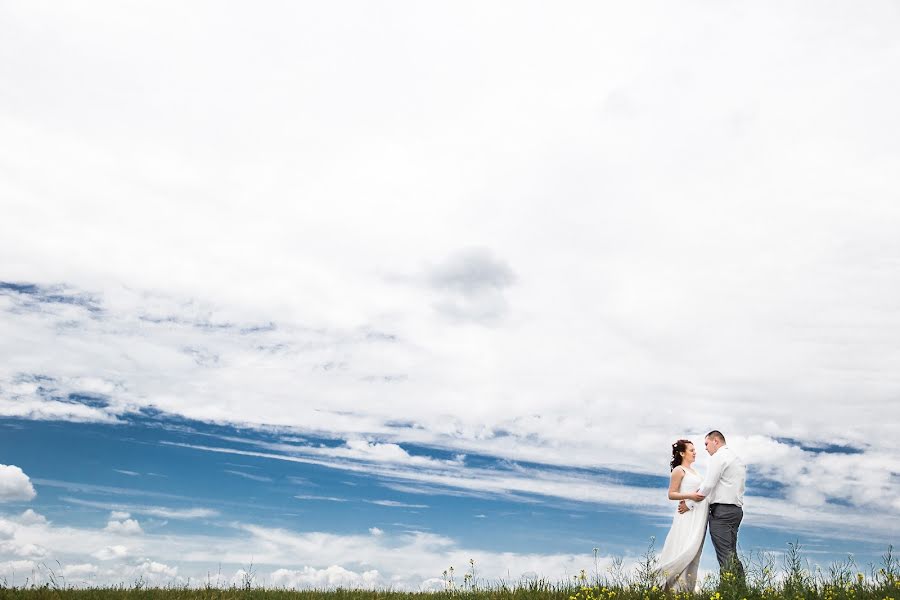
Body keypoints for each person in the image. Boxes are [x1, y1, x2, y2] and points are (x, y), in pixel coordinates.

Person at [678, 430, 746, 581]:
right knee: (730, 552)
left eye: (706, 444)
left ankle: (729, 590)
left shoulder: (719, 457)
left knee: (725, 554)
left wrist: (688, 504)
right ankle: (741, 590)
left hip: (721, 512)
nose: (706, 448)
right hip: (735, 511)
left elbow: (708, 485)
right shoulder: (736, 459)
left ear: (716, 441)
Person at [657, 439, 709, 591]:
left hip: (697, 516)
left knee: (694, 551)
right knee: (683, 547)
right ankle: (668, 585)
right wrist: (691, 496)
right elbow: (671, 494)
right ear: (682, 453)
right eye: (691, 450)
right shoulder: (679, 470)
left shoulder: (695, 472)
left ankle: (686, 589)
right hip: (685, 516)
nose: (695, 452)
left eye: (694, 450)